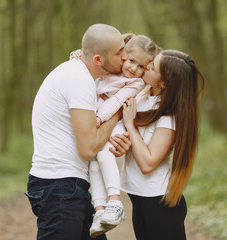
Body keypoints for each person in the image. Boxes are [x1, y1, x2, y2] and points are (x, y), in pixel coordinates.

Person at [25, 23, 130, 240]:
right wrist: (118, 115)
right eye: (119, 52)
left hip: (68, 186)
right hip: (58, 188)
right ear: (98, 60)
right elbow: (88, 148)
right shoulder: (79, 79)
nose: (125, 57)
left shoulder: (81, 74)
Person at [111, 49, 205, 240]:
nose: (146, 66)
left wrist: (130, 124)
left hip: (159, 203)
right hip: (140, 199)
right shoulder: (144, 95)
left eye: (152, 67)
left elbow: (147, 163)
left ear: (163, 83)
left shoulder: (169, 117)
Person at [87, 34, 162, 238]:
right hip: (101, 120)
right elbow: (97, 56)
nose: (134, 70)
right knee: (94, 162)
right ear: (124, 56)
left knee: (104, 152)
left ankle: (115, 200)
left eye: (141, 67)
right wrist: (79, 55)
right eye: (131, 61)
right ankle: (100, 210)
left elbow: (117, 101)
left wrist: (99, 117)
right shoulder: (109, 70)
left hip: (116, 122)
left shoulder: (136, 84)